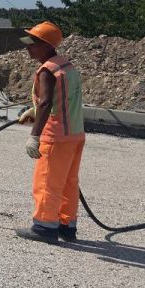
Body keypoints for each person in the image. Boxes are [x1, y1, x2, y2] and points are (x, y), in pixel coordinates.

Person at [15, 21, 85, 244]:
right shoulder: (66, 66)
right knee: (68, 182)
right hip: (75, 135)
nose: (28, 48)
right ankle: (66, 226)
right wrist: (33, 111)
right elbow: (61, 99)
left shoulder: (47, 70)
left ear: (45, 45)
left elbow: (46, 103)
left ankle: (44, 227)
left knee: (46, 182)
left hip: (55, 136)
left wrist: (34, 135)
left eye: (32, 43)